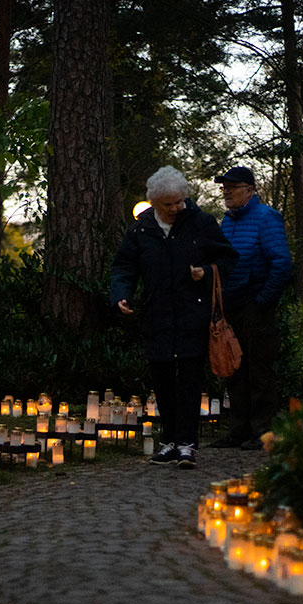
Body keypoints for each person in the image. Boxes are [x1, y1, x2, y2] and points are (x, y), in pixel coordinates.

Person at [111, 165, 238, 468]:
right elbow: (124, 266)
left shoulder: (201, 222)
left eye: (179, 202)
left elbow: (228, 258)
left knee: (190, 380)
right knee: (163, 379)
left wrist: (205, 272)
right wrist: (121, 295)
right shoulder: (141, 229)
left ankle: (187, 444)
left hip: (192, 314)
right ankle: (169, 440)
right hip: (157, 315)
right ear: (154, 202)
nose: (175, 208)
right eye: (168, 204)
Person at [210, 166, 293, 450]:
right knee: (234, 368)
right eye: (224, 188)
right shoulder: (227, 222)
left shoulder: (266, 217)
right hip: (232, 307)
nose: (226, 192)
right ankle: (239, 431)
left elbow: (281, 263)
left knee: (259, 369)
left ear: (249, 190)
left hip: (255, 305)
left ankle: (262, 433)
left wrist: (262, 301)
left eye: (232, 187)